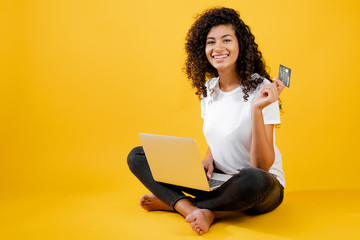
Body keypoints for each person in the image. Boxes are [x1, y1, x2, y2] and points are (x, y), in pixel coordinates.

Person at [127, 7, 285, 235]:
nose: (218, 48)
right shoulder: (209, 89)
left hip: (257, 188)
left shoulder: (262, 89)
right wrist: (208, 158)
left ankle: (179, 204)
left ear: (241, 45)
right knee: (137, 155)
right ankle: (194, 208)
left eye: (226, 40)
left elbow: (262, 167)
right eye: (211, 42)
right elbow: (219, 132)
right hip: (217, 181)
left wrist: (257, 111)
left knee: (254, 179)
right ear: (203, 49)